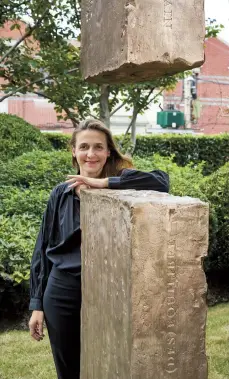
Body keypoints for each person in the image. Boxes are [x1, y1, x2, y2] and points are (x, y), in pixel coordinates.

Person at [29, 119, 169, 379]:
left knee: (110, 366)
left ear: (108, 152)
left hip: (109, 290)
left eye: (98, 147)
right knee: (69, 369)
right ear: (73, 151)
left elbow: (162, 182)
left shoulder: (123, 186)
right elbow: (43, 249)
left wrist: (104, 184)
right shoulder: (60, 194)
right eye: (84, 147)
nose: (90, 154)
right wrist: (37, 305)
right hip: (62, 291)